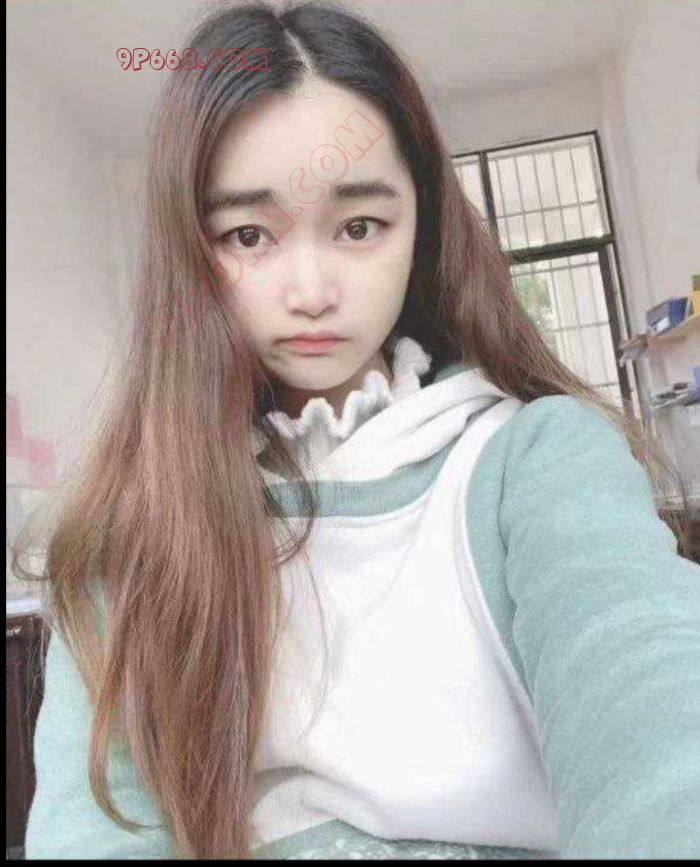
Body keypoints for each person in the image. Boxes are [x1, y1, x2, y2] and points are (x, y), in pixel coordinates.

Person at [17, 0, 700, 860]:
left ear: (423, 229)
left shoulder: (536, 462)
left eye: (359, 226)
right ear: (187, 253)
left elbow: (656, 721)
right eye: (249, 234)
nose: (311, 290)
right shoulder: (137, 526)